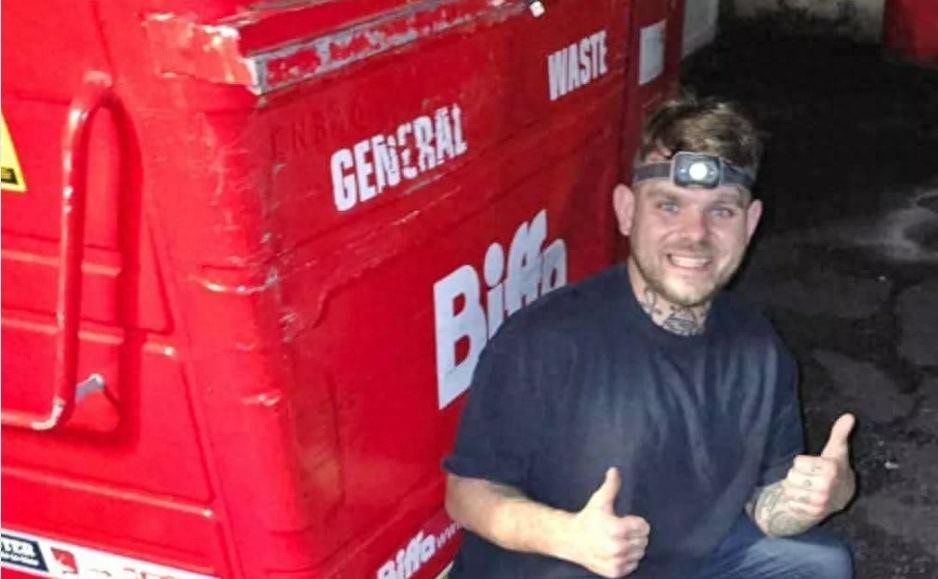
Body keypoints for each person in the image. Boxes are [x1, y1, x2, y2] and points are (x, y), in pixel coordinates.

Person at [442, 95, 856, 578]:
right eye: (669, 205)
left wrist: (826, 494)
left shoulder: (760, 348)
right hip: (566, 565)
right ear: (626, 211)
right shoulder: (546, 340)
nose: (695, 234)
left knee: (820, 565)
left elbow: (768, 508)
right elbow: (466, 494)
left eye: (722, 211)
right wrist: (568, 535)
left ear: (750, 224)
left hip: (686, 562)